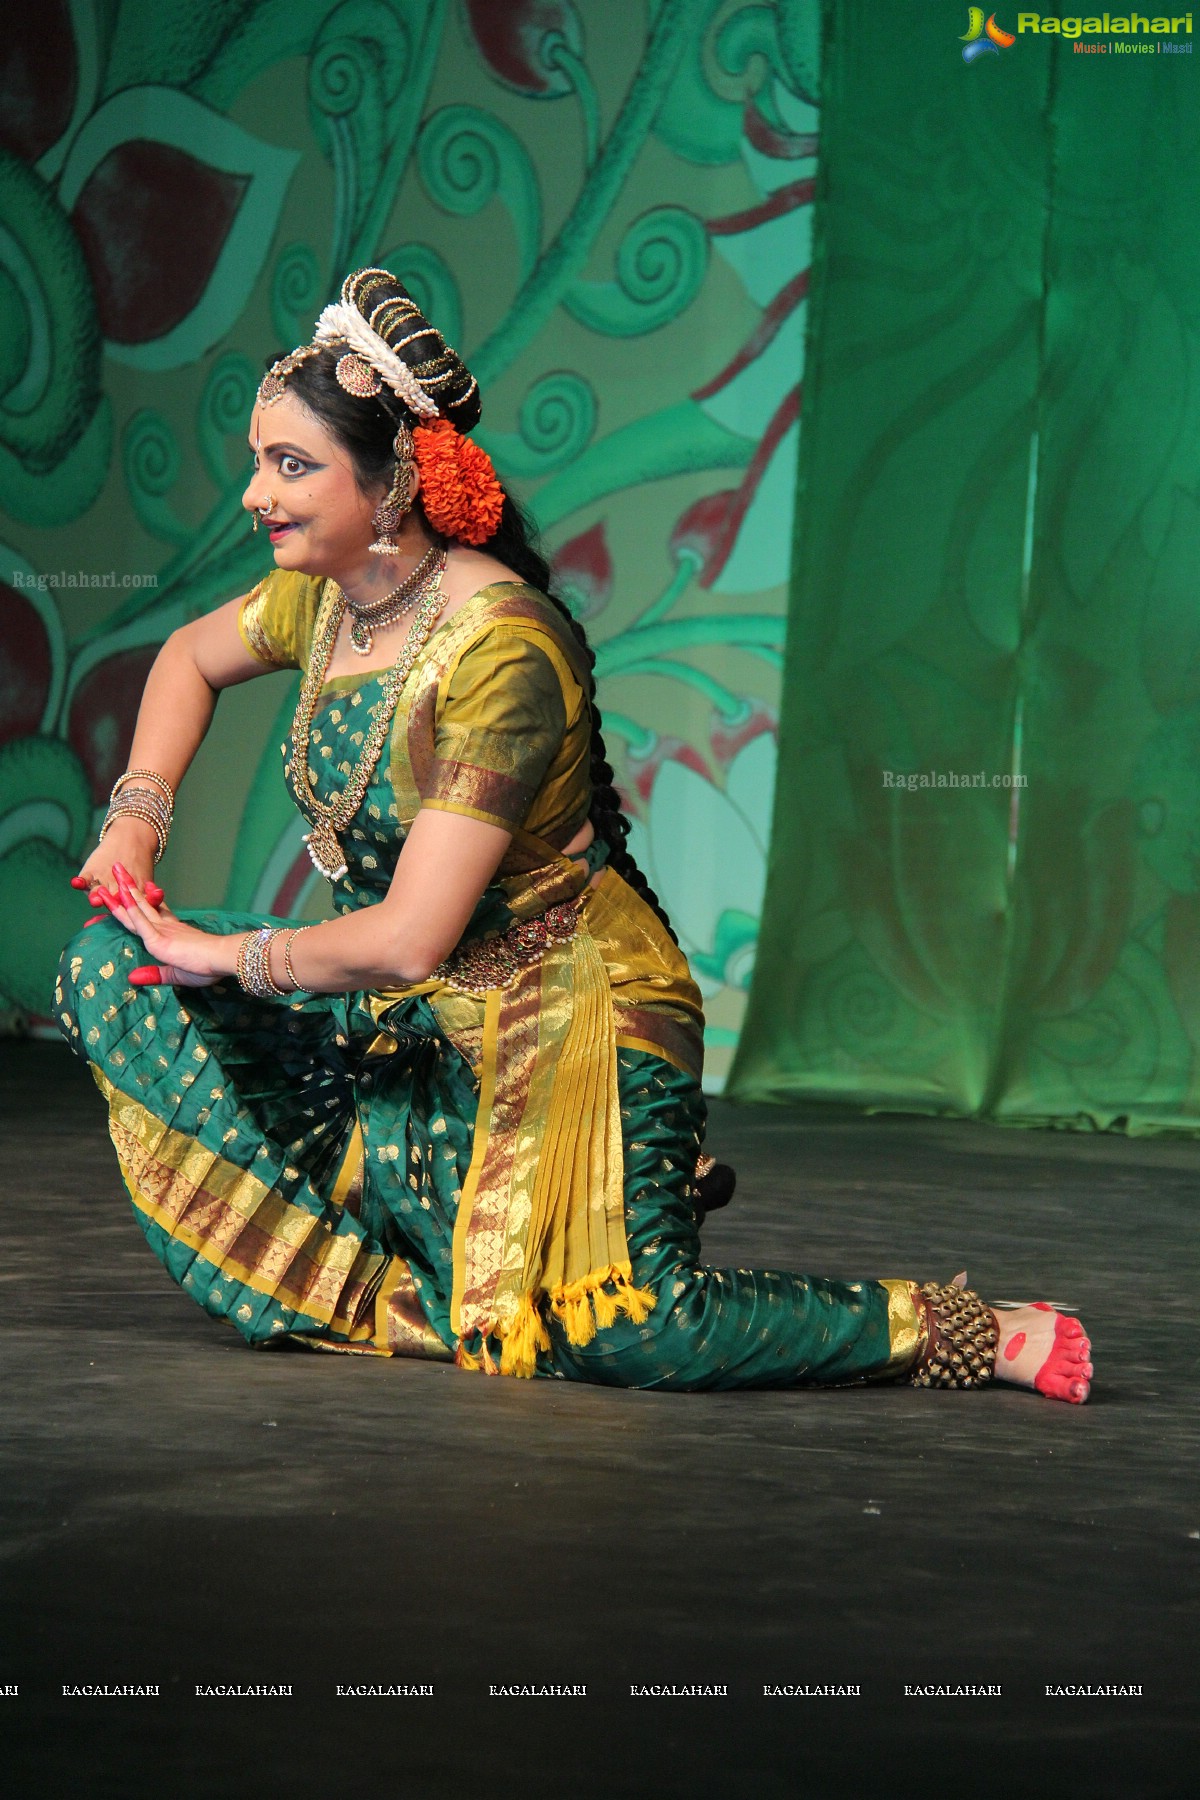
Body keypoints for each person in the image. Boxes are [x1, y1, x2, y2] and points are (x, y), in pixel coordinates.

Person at [55, 268, 1092, 1400]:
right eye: (260, 460)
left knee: (635, 1335)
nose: (257, 493)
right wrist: (136, 823)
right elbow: (186, 660)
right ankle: (421, 1278)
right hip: (409, 1019)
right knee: (113, 967)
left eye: (291, 466)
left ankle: (967, 1328)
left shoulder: (499, 651)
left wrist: (220, 955)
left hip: (570, 1023)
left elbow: (407, 938)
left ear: (394, 480)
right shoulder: (331, 599)